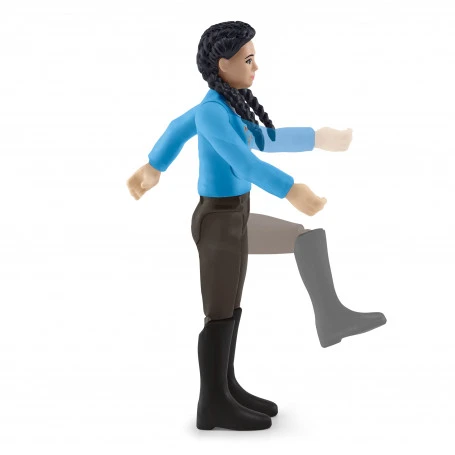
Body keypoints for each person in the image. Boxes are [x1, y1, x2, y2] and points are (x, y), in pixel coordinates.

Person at [127, 21, 386, 431]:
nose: (256, 67)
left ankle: (319, 326)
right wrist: (291, 189)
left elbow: (262, 139)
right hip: (218, 222)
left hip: (237, 217)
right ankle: (212, 403)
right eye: (248, 60)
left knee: (299, 241)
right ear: (223, 64)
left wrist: (318, 138)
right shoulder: (212, 114)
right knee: (219, 311)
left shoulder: (226, 107)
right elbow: (243, 162)